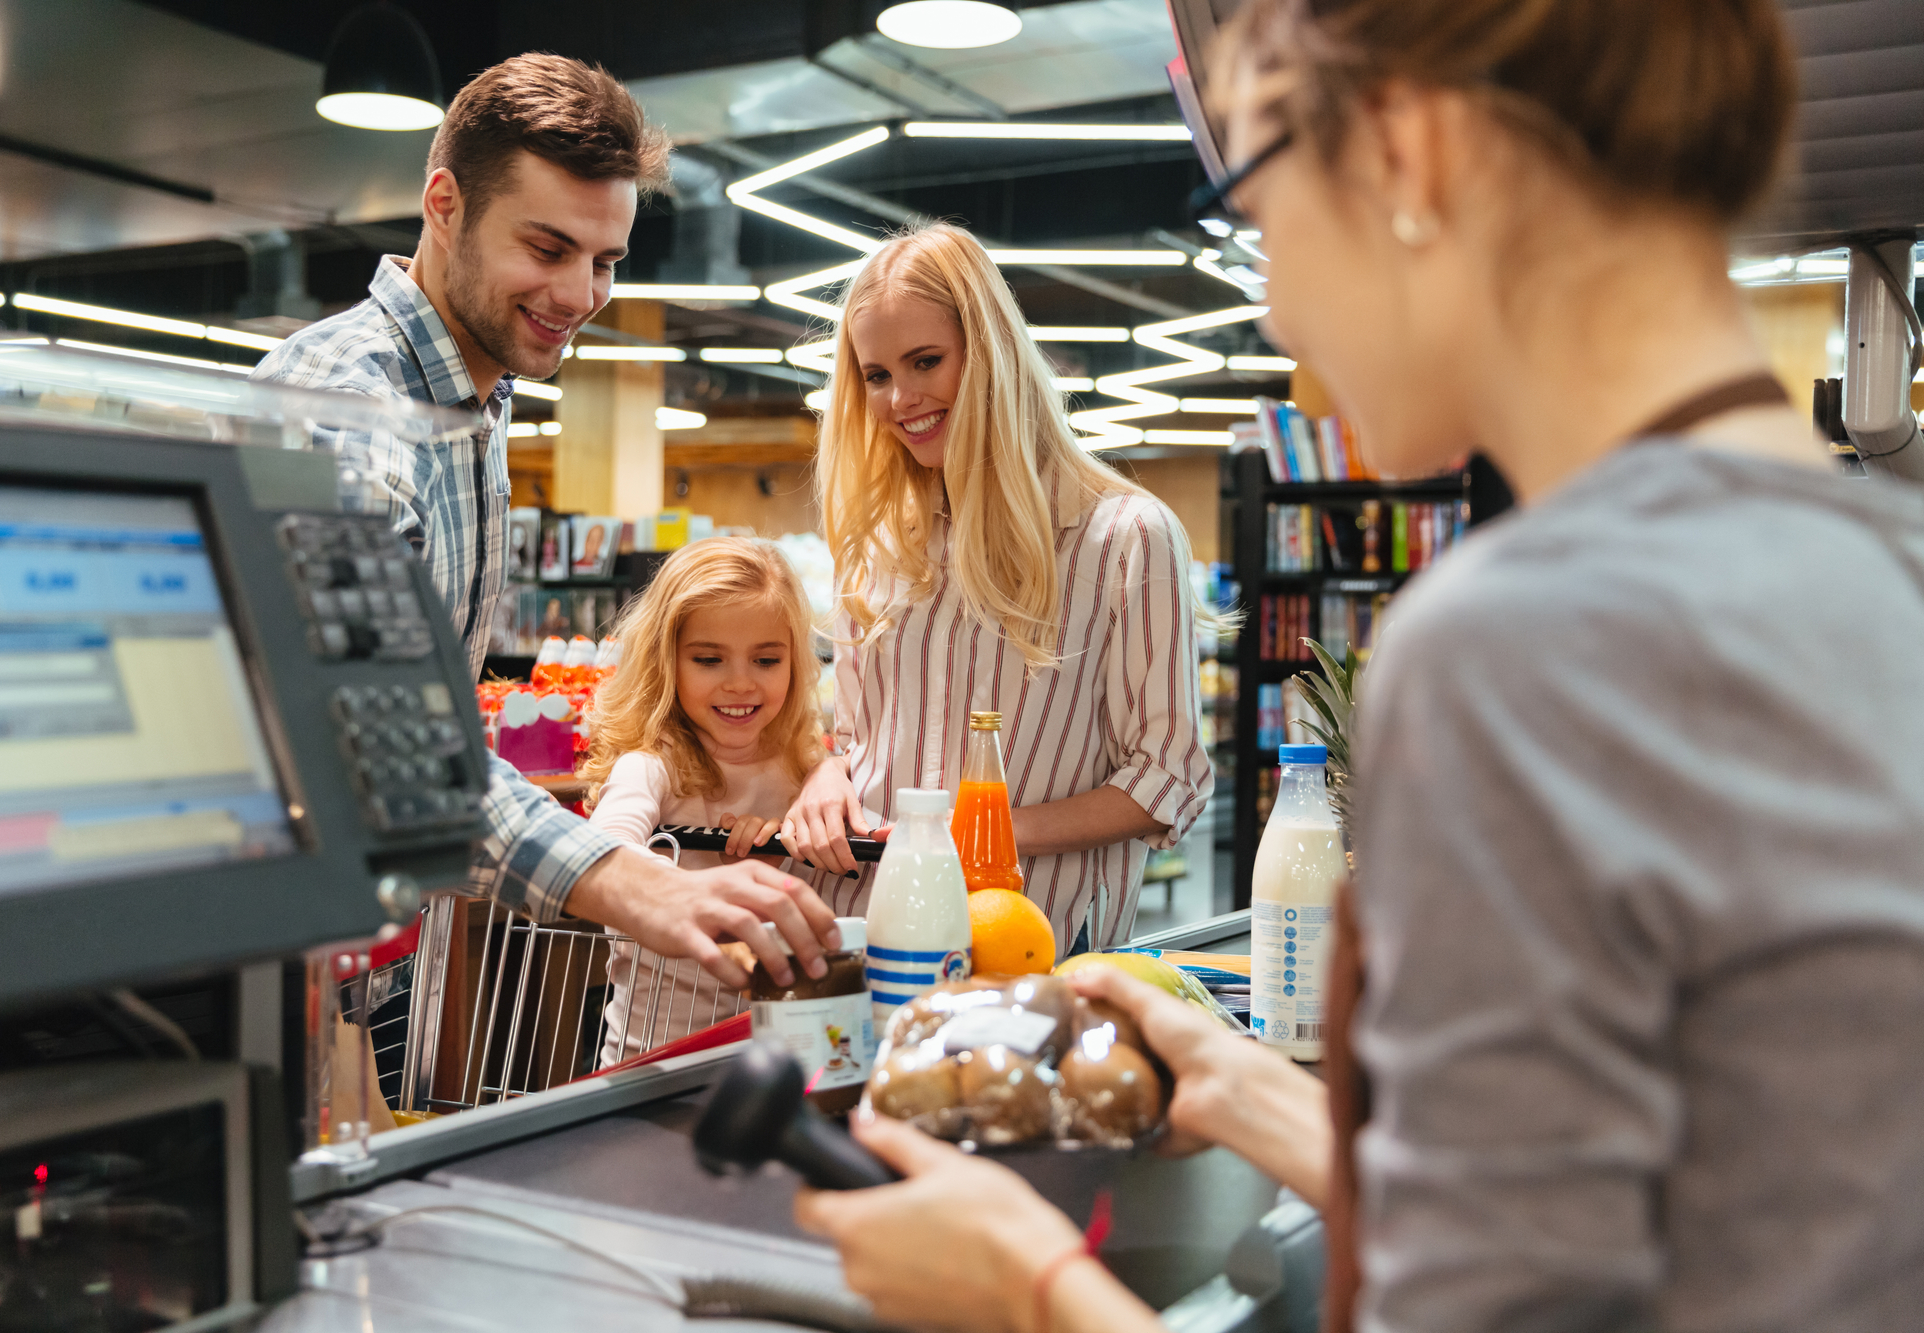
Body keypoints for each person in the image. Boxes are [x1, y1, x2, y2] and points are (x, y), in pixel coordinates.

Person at [798, 0, 1924, 1329]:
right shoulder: (1882, 566)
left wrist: (1026, 1286)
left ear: (1409, 156)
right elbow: (1711, 1204)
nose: (1273, 301)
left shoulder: (1519, 641)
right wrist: (1260, 1097)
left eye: (1262, 207)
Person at [253, 54, 834, 992]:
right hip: (258, 948)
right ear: (444, 204)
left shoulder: (474, 397)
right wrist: (630, 882)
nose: (580, 296)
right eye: (548, 248)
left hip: (345, 947)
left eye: (604, 261)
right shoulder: (347, 415)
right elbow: (374, 734)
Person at [781, 223, 1215, 951]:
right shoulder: (882, 543)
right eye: (876, 375)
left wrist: (988, 831)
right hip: (868, 918)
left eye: (926, 361)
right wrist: (825, 773)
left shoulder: (1121, 536)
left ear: (990, 353)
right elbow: (857, 737)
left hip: (1025, 936)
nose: (899, 398)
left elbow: (1168, 776)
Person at [578, 537, 829, 1065]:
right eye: (709, 659)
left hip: (784, 1054)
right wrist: (713, 887)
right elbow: (603, 847)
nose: (740, 683)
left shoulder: (807, 771)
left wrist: (771, 862)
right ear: (666, 661)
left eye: (765, 659)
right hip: (653, 1060)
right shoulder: (653, 765)